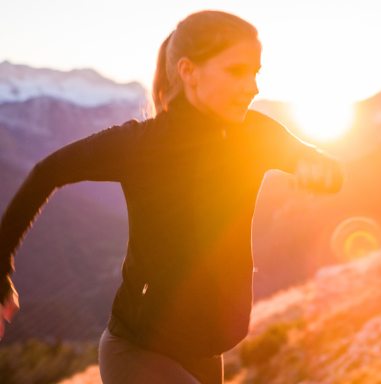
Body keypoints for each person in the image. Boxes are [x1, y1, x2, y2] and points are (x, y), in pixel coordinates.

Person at [0, 10, 344, 384]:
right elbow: (45, 172)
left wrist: (322, 171)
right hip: (136, 352)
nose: (253, 86)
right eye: (236, 71)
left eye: (256, 72)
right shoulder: (140, 145)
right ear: (188, 71)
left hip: (207, 356)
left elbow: (321, 163)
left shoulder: (256, 136)